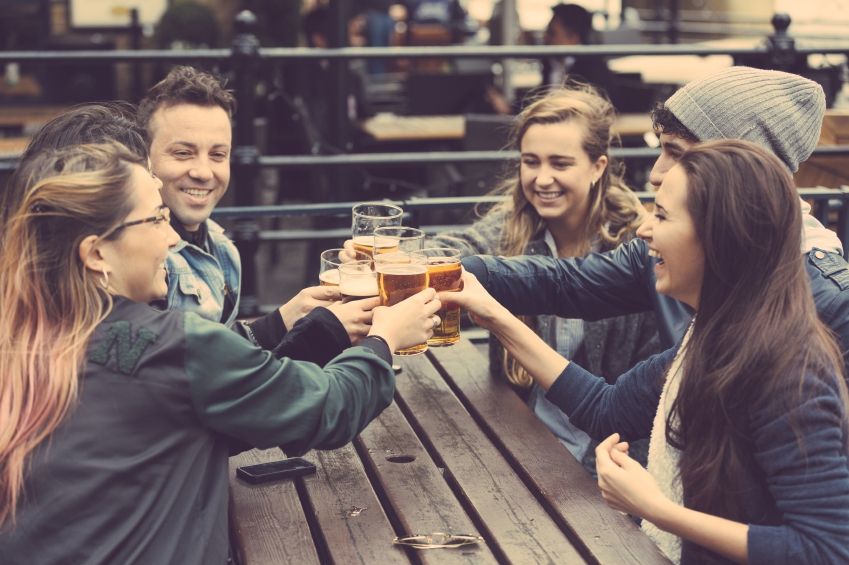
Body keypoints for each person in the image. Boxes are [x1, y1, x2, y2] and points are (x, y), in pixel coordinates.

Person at [0, 142, 441, 564]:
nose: (172, 239)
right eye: (156, 219)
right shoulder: (179, 344)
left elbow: (193, 422)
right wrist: (384, 340)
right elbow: (329, 410)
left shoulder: (18, 334)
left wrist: (315, 334)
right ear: (96, 253)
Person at [445, 140, 849, 564]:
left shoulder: (788, 371)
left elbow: (826, 550)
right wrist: (493, 314)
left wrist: (656, 509)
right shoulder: (717, 335)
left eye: (661, 215)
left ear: (720, 235)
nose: (644, 230)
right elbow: (607, 408)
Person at [462, 67, 849, 373]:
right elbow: (561, 281)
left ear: (737, 167)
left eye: (676, 153)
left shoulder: (831, 304)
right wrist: (434, 269)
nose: (655, 173)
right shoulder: (666, 251)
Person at [427, 82, 660, 473]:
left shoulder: (641, 250)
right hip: (522, 446)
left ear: (597, 167)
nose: (542, 178)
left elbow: (644, 414)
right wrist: (397, 260)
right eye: (530, 161)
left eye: (560, 163)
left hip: (607, 464)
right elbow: (458, 246)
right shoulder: (515, 225)